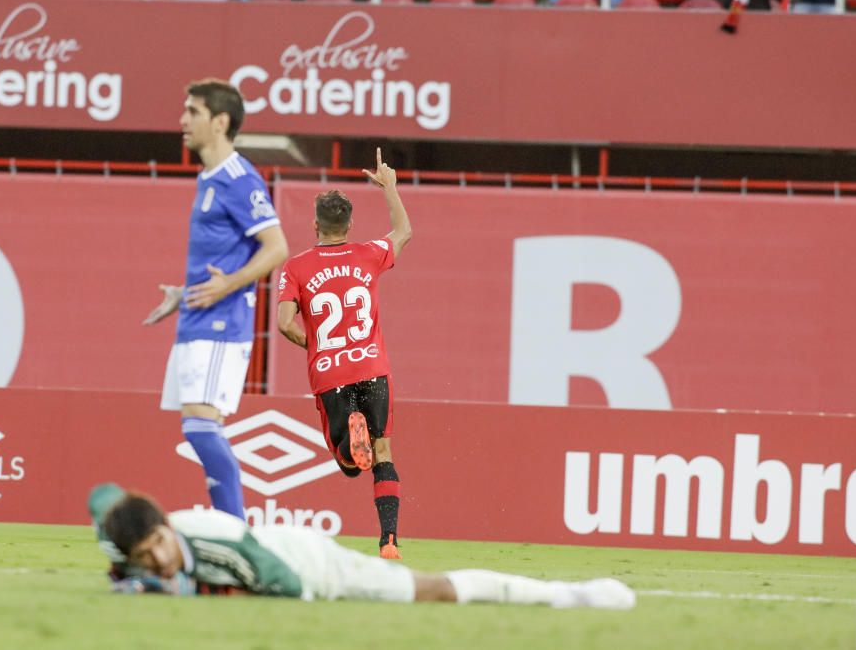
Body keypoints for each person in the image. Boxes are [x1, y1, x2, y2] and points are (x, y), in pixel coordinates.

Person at [88, 483, 637, 609]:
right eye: (144, 559)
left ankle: (565, 595)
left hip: (311, 564)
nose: (157, 560)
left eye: (159, 545)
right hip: (283, 562)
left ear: (168, 526)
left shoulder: (221, 542)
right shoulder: (133, 550)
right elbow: (103, 501)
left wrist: (186, 592)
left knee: (432, 591)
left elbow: (288, 589)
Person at [143, 79, 289, 520]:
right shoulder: (208, 177)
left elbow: (277, 246)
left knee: (201, 429)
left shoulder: (238, 178)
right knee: (199, 429)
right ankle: (231, 529)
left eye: (193, 111)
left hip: (221, 324)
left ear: (220, 121)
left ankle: (236, 532)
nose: (182, 121)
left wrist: (228, 286)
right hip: (197, 318)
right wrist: (183, 294)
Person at [275, 148, 411, 559]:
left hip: (329, 371)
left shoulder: (296, 267)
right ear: (349, 224)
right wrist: (389, 186)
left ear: (316, 224)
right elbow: (403, 231)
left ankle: (351, 440)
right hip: (372, 366)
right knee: (383, 451)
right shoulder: (369, 254)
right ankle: (389, 541)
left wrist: (313, 344)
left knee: (351, 466)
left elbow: (283, 323)